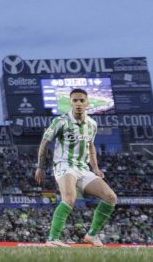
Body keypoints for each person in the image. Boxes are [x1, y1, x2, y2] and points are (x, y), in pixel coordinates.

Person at [34, 88, 118, 247]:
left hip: (83, 168)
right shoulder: (61, 121)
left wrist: (96, 168)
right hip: (64, 165)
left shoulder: (92, 123)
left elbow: (91, 146)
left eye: (81, 100)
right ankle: (52, 239)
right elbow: (45, 142)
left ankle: (92, 235)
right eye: (74, 100)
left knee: (111, 197)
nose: (78, 103)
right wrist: (40, 167)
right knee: (70, 198)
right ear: (70, 103)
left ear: (87, 103)